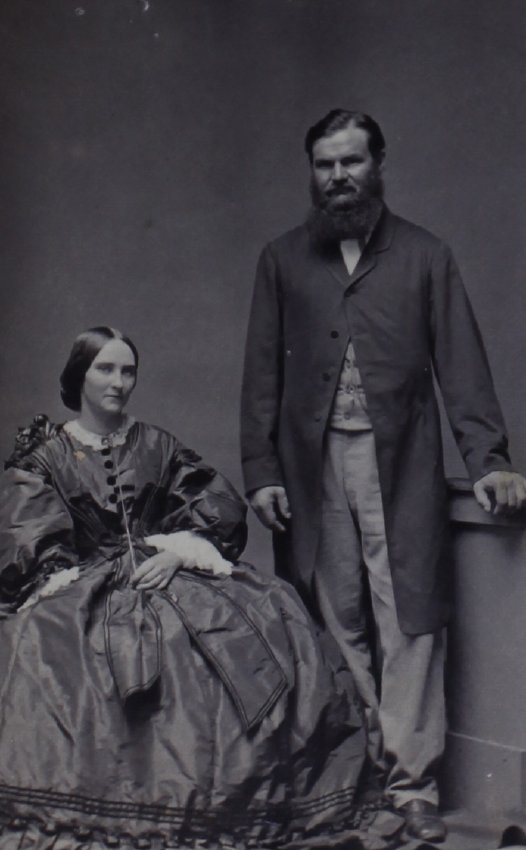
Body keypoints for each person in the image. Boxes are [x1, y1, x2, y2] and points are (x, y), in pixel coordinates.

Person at [0, 326, 407, 850]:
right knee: (61, 649)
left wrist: (175, 552)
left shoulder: (157, 444)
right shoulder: (46, 455)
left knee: (266, 617)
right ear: (79, 374)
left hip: (170, 571)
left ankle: (235, 802)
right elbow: (31, 538)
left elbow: (216, 505)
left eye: (128, 371)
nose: (119, 382)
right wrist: (95, 580)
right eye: (106, 368)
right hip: (85, 585)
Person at [240, 109, 526, 843]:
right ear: (313, 172)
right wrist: (262, 469)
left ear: (379, 164)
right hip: (311, 470)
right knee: (331, 617)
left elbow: (462, 365)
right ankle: (360, 775)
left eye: (351, 162)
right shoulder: (281, 260)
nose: (338, 177)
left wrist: (489, 460)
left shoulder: (427, 256)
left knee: (410, 619)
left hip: (403, 464)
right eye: (325, 165)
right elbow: (262, 376)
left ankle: (414, 787)